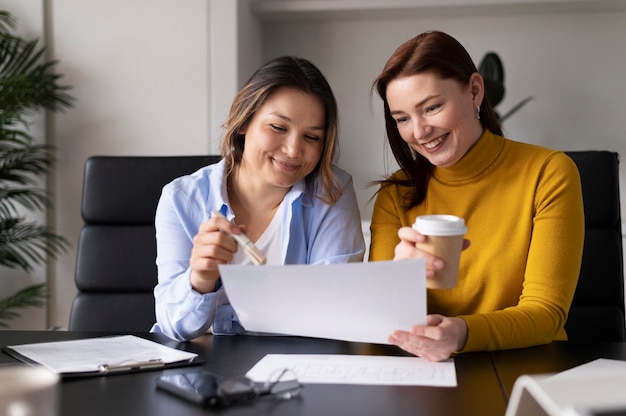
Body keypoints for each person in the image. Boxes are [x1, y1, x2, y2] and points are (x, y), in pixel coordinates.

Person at [369, 31, 584, 362]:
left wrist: (460, 332)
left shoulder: (549, 172)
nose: (419, 131)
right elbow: (380, 321)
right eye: (402, 119)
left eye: (432, 107)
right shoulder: (397, 193)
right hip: (423, 371)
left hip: (525, 365)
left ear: (474, 91)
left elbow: (546, 312)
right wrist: (397, 279)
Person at [152, 56, 365, 341]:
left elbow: (334, 310)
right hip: (202, 370)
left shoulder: (331, 191)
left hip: (294, 366)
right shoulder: (180, 200)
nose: (293, 150)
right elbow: (174, 327)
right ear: (243, 121)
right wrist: (201, 279)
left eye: (311, 138)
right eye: (278, 128)